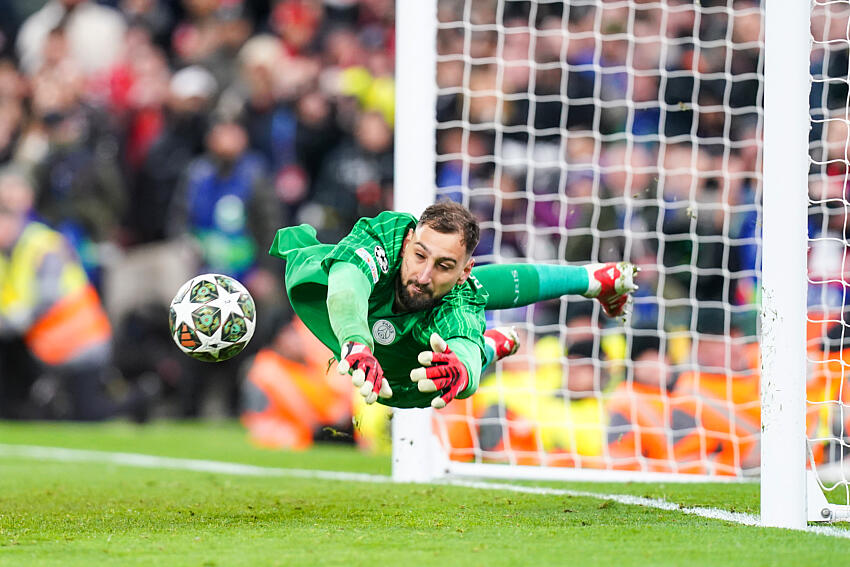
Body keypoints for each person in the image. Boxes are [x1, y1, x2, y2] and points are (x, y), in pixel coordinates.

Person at [269, 200, 638, 409]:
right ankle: (594, 279)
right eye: (419, 255)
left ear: (464, 269)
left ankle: (490, 346)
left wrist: (464, 367)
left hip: (397, 364)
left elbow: (461, 345)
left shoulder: (460, 300)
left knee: (426, 380)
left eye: (445, 265)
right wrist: (354, 340)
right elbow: (347, 282)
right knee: (338, 274)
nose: (424, 274)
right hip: (326, 299)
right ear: (410, 238)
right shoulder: (391, 233)